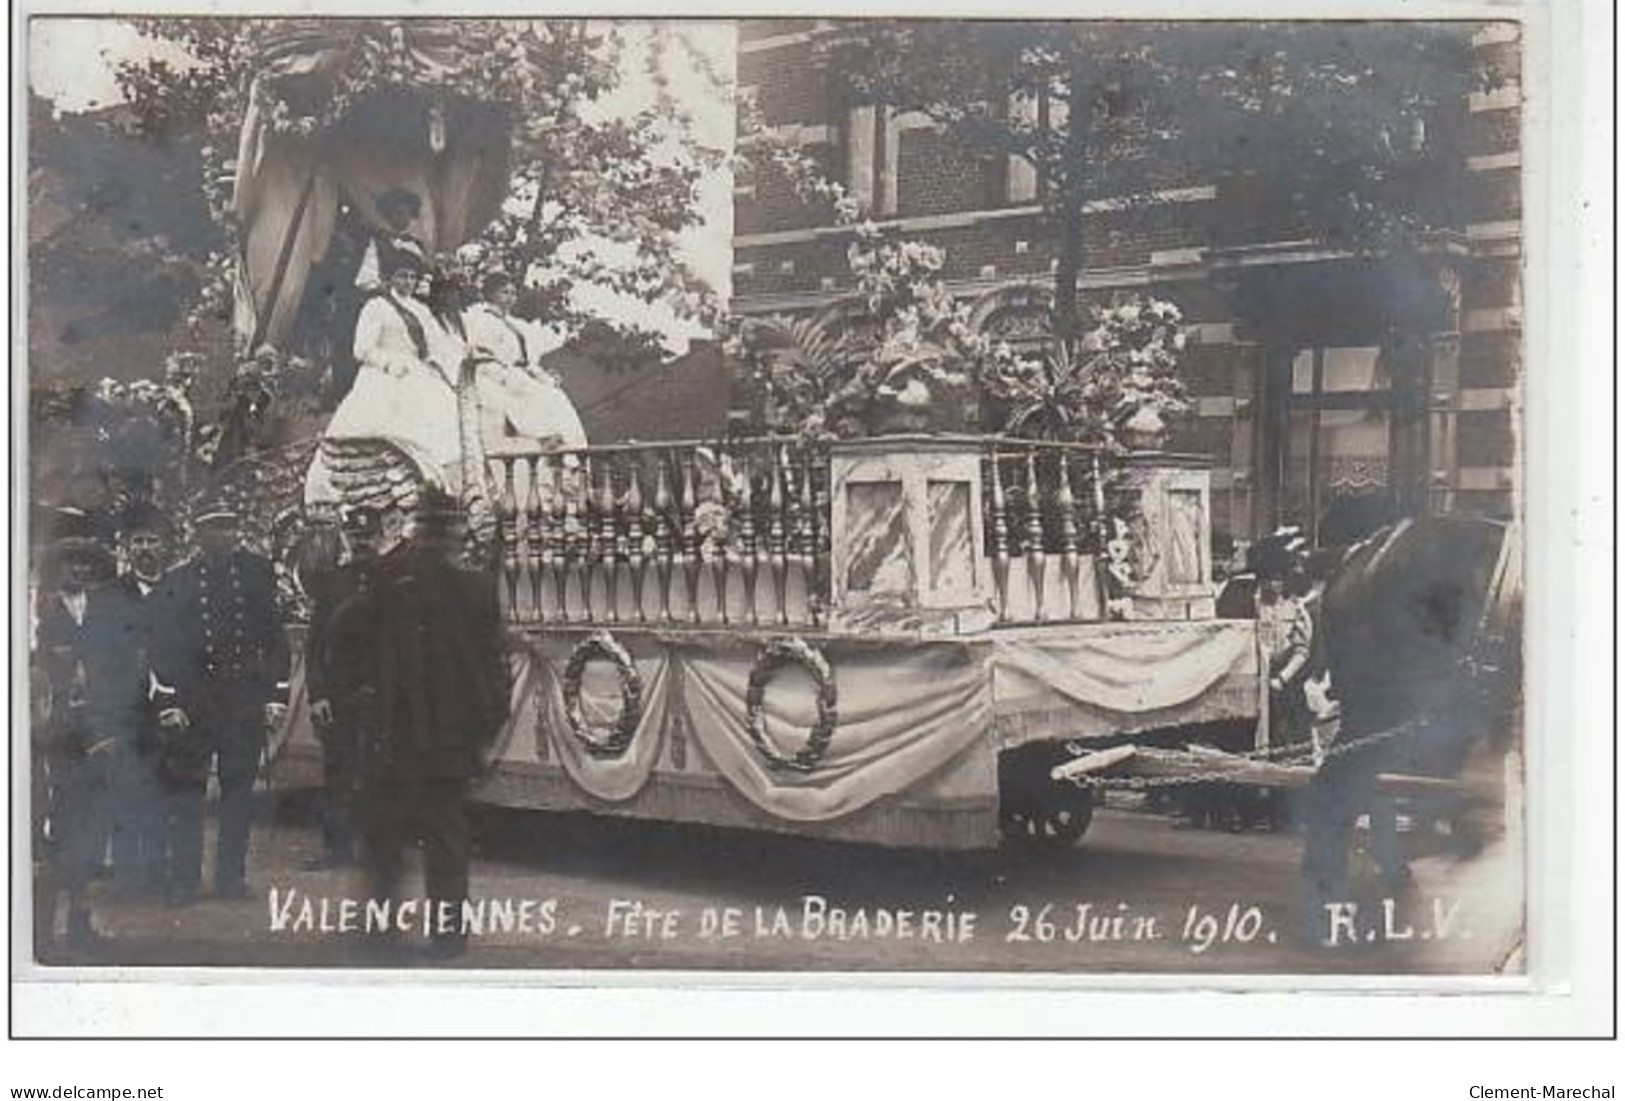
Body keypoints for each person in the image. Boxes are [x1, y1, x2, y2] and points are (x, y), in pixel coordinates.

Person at [359, 489, 509, 960]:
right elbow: (494, 664)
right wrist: (485, 726)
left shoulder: (386, 579)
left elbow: (346, 638)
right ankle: (449, 937)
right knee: (446, 837)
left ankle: (381, 932)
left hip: (397, 735)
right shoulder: (477, 587)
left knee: (386, 835)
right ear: (455, 534)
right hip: (450, 739)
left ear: (419, 530)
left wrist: (364, 706)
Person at [149, 498, 289, 903]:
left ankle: (231, 878)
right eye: (216, 526)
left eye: (231, 526)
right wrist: (169, 701)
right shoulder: (178, 580)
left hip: (243, 702)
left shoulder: (256, 574)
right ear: (198, 533)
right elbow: (162, 647)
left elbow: (275, 642)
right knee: (188, 792)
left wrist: (276, 695)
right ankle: (185, 879)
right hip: (194, 703)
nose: (226, 534)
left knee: (239, 792)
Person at [33, 510, 136, 950]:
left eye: (87, 564)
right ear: (59, 568)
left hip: (100, 733)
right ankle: (36, 927)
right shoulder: (40, 612)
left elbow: (118, 669)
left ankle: (78, 916)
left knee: (92, 827)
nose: (80, 569)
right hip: (56, 737)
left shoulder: (105, 610)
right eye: (72, 562)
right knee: (54, 830)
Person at [306, 249, 467, 501]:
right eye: (402, 276)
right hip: (383, 373)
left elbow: (436, 344)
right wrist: (388, 363)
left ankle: (436, 486)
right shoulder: (377, 307)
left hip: (417, 371)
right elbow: (361, 348)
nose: (408, 282)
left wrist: (442, 364)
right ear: (390, 278)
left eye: (412, 277)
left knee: (443, 415)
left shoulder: (421, 310)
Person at [302, 507, 383, 870]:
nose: (362, 541)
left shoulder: (397, 580)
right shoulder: (333, 583)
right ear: (347, 538)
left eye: (369, 535)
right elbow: (315, 644)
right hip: (340, 693)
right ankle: (336, 849)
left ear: (381, 536)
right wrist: (318, 695)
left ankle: (379, 850)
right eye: (356, 535)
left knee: (382, 773)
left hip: (385, 692)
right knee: (337, 772)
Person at [106, 501, 175, 900]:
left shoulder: (179, 591)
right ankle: (127, 877)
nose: (146, 548)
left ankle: (156, 873)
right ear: (128, 549)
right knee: (127, 791)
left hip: (168, 708)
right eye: (138, 542)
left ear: (164, 546)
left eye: (152, 541)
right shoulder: (109, 596)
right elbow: (99, 655)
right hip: (125, 708)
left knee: (163, 791)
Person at [462, 272, 587, 454]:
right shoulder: (481, 321)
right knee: (535, 396)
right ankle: (546, 436)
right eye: (504, 293)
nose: (510, 298)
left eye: (513, 293)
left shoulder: (515, 324)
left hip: (521, 374)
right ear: (490, 294)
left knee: (556, 395)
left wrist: (543, 376)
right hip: (496, 375)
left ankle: (572, 450)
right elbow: (484, 357)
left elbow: (528, 360)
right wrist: (508, 377)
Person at [353, 188, 429, 294]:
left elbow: (423, 276)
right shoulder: (377, 241)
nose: (405, 218)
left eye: (409, 213)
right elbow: (367, 278)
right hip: (384, 298)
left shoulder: (416, 245)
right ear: (388, 215)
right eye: (399, 213)